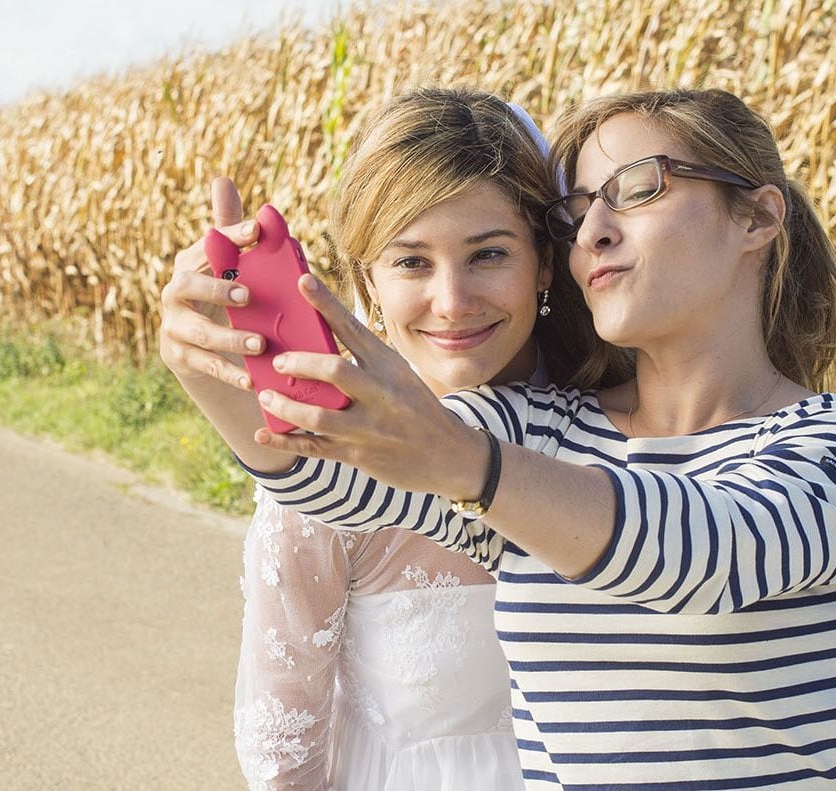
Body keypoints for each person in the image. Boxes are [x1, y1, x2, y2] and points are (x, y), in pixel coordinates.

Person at [164, 88, 836, 790]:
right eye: (580, 209)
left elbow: (707, 554)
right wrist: (219, 369)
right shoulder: (543, 430)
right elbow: (338, 479)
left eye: (639, 187)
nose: (594, 228)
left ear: (756, 218)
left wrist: (466, 463)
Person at [161, 88, 621, 790]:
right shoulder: (326, 477)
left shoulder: (627, 426)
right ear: (367, 280)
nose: (452, 299)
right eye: (412, 262)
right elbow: (285, 758)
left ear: (546, 263)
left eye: (488, 253)